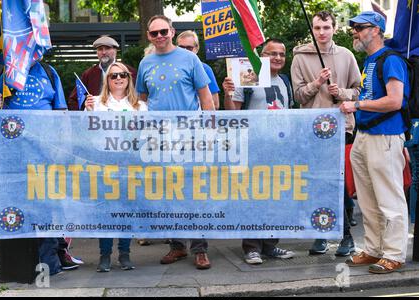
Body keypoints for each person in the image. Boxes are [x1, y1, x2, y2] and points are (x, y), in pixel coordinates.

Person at [136, 15, 214, 270]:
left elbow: (206, 98)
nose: (159, 37)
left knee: (195, 191)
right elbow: (141, 100)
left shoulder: (190, 59)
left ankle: (200, 249)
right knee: (169, 192)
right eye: (153, 33)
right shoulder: (145, 63)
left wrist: (209, 131)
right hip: (159, 139)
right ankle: (177, 246)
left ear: (172, 31)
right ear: (148, 36)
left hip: (191, 137)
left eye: (163, 32)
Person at [0, 60, 79, 275]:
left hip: (44, 152)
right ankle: (1, 260)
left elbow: (61, 111)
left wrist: (63, 146)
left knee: (45, 205)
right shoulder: (1, 70)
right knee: (8, 204)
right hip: (12, 152)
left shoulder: (48, 71)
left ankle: (49, 262)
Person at [340, 11, 410, 274]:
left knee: (389, 197)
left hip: (386, 136)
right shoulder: (369, 61)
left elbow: (394, 100)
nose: (355, 32)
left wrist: (356, 104)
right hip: (365, 135)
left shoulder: (390, 59)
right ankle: (373, 249)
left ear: (377, 29)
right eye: (354, 28)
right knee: (367, 197)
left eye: (359, 27)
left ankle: (394, 254)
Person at [290, 11, 361, 256]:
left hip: (342, 127)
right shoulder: (300, 57)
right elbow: (298, 96)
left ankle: (346, 236)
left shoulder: (347, 55)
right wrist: (317, 83)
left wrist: (339, 92)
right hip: (312, 129)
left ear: (334, 28)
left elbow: (358, 92)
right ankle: (321, 233)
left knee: (336, 183)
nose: (322, 32)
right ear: (313, 29)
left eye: (326, 27)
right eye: (318, 28)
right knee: (318, 184)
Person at [222, 38, 295, 264]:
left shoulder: (284, 80)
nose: (277, 58)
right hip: (254, 146)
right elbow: (232, 111)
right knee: (253, 196)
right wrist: (228, 92)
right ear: (262, 56)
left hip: (279, 147)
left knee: (276, 196)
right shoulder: (249, 76)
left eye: (281, 54)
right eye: (272, 53)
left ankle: (271, 244)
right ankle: (251, 247)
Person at [85, 61, 146, 272]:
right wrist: (88, 110)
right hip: (104, 162)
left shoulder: (140, 106)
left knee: (127, 209)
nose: (119, 78)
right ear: (107, 81)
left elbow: (145, 136)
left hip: (129, 162)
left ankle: (125, 254)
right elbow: (87, 133)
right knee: (105, 210)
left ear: (129, 79)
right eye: (113, 76)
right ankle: (104, 255)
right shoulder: (97, 104)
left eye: (123, 75)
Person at [67, 35, 137, 110]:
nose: (103, 52)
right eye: (100, 49)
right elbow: (74, 100)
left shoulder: (128, 72)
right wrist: (86, 108)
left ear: (115, 50)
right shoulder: (89, 74)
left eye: (107, 48)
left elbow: (138, 96)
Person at [176, 30, 221, 109]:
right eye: (181, 48)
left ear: (196, 49)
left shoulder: (205, 69)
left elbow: (215, 104)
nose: (185, 51)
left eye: (189, 48)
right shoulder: (170, 68)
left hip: (196, 118)